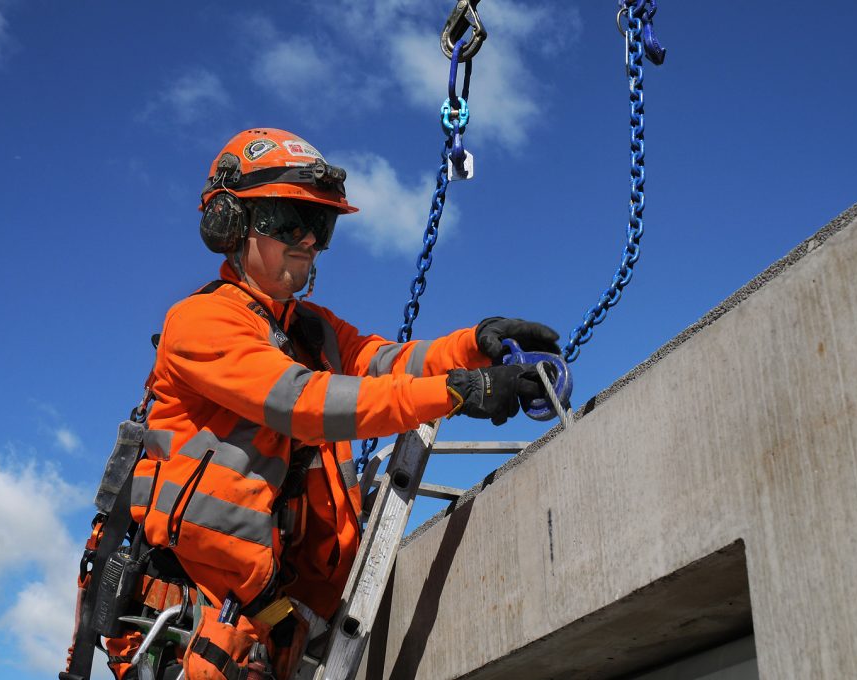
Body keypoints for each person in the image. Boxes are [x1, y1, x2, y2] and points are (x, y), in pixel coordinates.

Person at [108, 128, 559, 679]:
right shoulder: (201, 323)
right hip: (199, 618)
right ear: (229, 223)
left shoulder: (309, 329)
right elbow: (303, 402)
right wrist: (457, 394)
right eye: (286, 221)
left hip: (276, 618)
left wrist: (474, 344)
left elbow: (384, 361)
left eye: (319, 225)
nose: (307, 240)